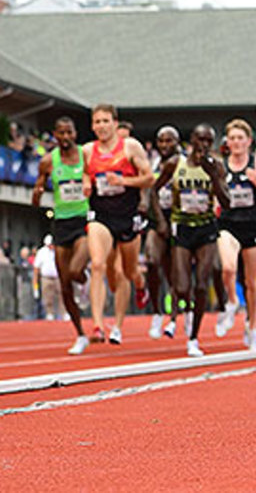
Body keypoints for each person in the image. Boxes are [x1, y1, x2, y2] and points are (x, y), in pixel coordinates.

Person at [153, 124, 230, 357]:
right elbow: (153, 192)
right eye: (200, 139)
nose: (204, 144)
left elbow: (226, 202)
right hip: (182, 229)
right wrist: (162, 222)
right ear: (192, 140)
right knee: (182, 287)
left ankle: (194, 338)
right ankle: (184, 314)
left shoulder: (216, 166)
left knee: (200, 285)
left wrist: (214, 178)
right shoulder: (175, 164)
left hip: (206, 228)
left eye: (209, 140)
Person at [82, 104, 154, 344]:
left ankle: (121, 322)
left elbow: (149, 178)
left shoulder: (130, 147)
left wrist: (122, 180)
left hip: (128, 216)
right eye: (97, 122)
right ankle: (98, 325)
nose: (101, 126)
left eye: (105, 121)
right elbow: (83, 172)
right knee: (98, 265)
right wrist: (85, 183)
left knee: (126, 272)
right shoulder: (87, 150)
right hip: (100, 215)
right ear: (92, 126)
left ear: (115, 123)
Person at [215, 118, 256, 351]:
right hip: (228, 225)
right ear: (227, 142)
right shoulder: (220, 166)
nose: (236, 142)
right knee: (228, 268)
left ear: (249, 141)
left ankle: (252, 327)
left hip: (252, 225)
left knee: (252, 282)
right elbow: (215, 194)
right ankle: (232, 301)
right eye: (232, 138)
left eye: (240, 138)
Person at [32, 116, 93, 353]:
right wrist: (37, 193)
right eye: (61, 133)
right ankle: (80, 334)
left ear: (75, 134)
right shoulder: (48, 161)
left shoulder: (85, 157)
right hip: (61, 222)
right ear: (55, 136)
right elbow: (36, 197)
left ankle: (85, 282)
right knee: (65, 283)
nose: (65, 138)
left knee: (75, 270)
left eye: (69, 133)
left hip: (84, 219)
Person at [144, 125, 182, 339]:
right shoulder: (152, 163)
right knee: (151, 261)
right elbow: (148, 191)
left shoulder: (184, 163)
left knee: (176, 272)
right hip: (157, 220)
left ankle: (174, 318)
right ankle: (157, 311)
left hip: (179, 220)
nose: (165, 145)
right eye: (161, 141)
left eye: (169, 141)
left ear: (177, 142)